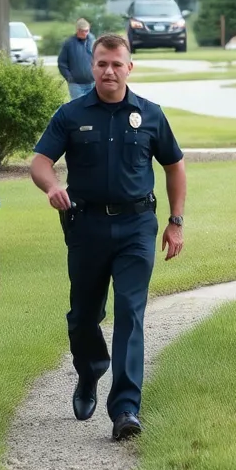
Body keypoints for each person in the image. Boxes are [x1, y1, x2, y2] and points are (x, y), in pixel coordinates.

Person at [29, 33, 187, 441]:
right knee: (83, 317)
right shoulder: (71, 114)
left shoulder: (150, 115)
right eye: (101, 63)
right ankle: (90, 371)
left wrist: (176, 221)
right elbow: (41, 162)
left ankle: (126, 409)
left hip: (137, 226)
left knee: (130, 315)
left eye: (117, 64)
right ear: (92, 66)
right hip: (86, 227)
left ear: (129, 67)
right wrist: (50, 187)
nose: (109, 71)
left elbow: (175, 166)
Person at [58, 18, 96, 99]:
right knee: (78, 108)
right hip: (76, 84)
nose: (85, 33)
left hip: (92, 82)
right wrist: (69, 77)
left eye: (87, 30)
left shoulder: (93, 40)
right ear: (78, 30)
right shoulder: (69, 43)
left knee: (93, 108)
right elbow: (61, 62)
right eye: (83, 31)